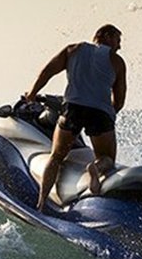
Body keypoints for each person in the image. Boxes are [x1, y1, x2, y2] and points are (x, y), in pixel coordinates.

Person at [25, 24, 127, 211]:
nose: (119, 46)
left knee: (56, 156)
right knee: (107, 159)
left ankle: (41, 204)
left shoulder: (73, 49)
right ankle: (95, 169)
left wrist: (32, 94)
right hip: (100, 113)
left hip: (72, 109)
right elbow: (119, 101)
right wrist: (107, 116)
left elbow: (47, 71)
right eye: (118, 40)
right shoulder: (117, 62)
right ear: (106, 35)